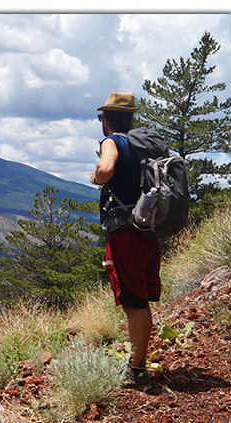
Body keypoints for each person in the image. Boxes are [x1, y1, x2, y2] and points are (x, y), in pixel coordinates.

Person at [89, 92, 161, 388]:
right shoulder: (141, 146)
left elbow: (106, 170)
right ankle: (140, 362)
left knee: (132, 302)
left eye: (101, 118)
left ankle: (138, 370)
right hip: (148, 229)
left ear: (107, 120)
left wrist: (96, 177)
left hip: (125, 232)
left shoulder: (113, 142)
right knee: (141, 300)